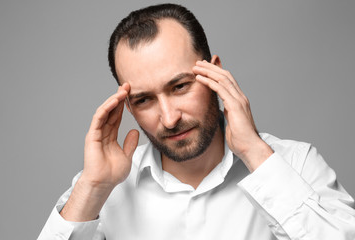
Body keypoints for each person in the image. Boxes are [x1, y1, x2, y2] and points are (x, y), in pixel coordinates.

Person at [38, 3, 355, 240]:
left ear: (215, 74)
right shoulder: (103, 188)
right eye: (144, 99)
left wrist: (256, 154)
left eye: (180, 87)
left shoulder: (295, 165)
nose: (170, 118)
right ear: (129, 108)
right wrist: (94, 188)